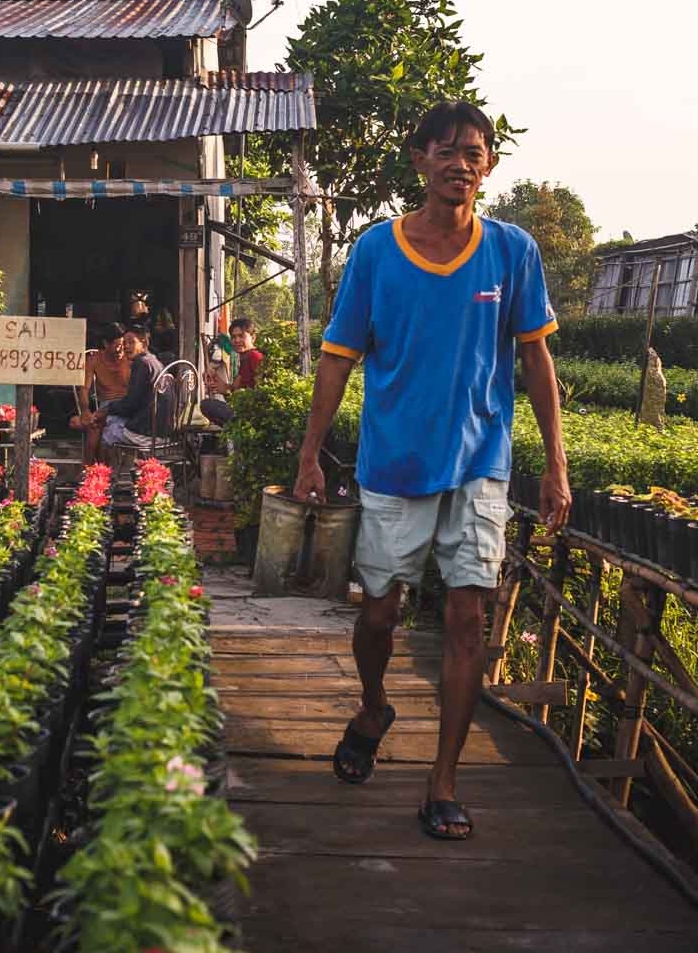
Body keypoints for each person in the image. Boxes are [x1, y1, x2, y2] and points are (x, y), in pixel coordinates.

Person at [293, 100, 569, 844]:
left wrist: (555, 467)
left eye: (474, 152)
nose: (461, 163)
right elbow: (336, 359)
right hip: (394, 465)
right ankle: (374, 703)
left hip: (481, 465)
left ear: (489, 165)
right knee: (378, 611)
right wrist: (311, 452)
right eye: (446, 151)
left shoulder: (512, 252)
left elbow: (536, 360)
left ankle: (441, 783)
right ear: (418, 159)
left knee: (467, 615)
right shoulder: (378, 253)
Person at [92, 324, 168, 450]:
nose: (126, 346)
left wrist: (105, 410)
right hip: (162, 430)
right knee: (111, 419)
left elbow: (130, 405)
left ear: (143, 342)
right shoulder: (153, 361)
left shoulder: (142, 363)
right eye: (125, 343)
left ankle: (106, 469)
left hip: (148, 433)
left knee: (107, 432)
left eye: (131, 342)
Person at [73, 323, 134, 462]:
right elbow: (84, 389)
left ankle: (102, 473)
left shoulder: (130, 358)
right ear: (106, 344)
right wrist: (85, 411)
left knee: (100, 430)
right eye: (118, 345)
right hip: (105, 408)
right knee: (93, 431)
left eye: (124, 344)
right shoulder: (94, 359)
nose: (121, 349)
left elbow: (135, 395)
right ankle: (89, 474)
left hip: (126, 407)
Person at [200, 317, 264, 426]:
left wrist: (230, 391)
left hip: (253, 416)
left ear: (253, 338)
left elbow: (261, 392)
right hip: (243, 411)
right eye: (234, 337)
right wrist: (214, 379)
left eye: (241, 336)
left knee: (208, 405)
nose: (237, 340)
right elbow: (231, 391)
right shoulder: (244, 359)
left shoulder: (255, 356)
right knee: (206, 405)